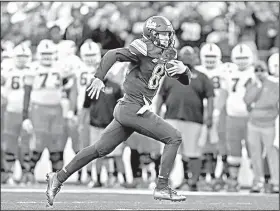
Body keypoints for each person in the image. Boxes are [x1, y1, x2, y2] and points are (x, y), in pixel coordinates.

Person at [45, 16, 191, 206]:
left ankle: (58, 178)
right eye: (162, 35)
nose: (166, 38)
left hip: (128, 109)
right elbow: (112, 54)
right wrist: (99, 77)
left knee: (100, 149)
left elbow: (184, 81)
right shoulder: (143, 47)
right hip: (133, 108)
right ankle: (162, 187)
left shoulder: (168, 52)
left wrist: (184, 70)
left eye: (167, 35)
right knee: (174, 137)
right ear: (151, 34)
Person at [156, 46, 215, 191]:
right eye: (185, 55)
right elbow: (161, 96)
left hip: (193, 119)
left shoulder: (202, 77)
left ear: (195, 58)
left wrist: (209, 116)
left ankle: (193, 181)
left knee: (193, 152)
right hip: (171, 118)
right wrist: (156, 113)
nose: (187, 58)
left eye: (190, 56)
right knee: (170, 152)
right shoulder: (170, 75)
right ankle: (165, 181)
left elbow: (211, 97)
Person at [244, 61, 279, 193]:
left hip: (269, 124)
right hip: (253, 124)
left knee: (272, 154)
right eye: (257, 71)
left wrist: (256, 105)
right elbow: (247, 100)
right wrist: (257, 88)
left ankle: (276, 182)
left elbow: (271, 102)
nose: (259, 73)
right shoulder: (252, 84)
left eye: (262, 70)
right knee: (255, 154)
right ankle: (258, 181)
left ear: (266, 71)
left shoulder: (274, 84)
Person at [1, 44, 33, 185]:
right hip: (11, 111)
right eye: (19, 56)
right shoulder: (6, 70)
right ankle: (8, 173)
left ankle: (27, 173)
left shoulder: (33, 70)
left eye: (24, 57)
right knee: (10, 143)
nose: (22, 59)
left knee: (26, 144)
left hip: (29, 112)